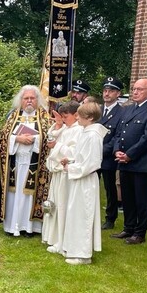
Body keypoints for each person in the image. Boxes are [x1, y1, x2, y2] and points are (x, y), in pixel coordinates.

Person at [110, 78, 147, 245]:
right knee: (127, 196)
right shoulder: (129, 109)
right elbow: (119, 132)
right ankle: (128, 227)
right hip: (124, 159)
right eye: (134, 89)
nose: (135, 92)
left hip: (141, 161)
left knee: (141, 198)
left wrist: (130, 155)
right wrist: (117, 150)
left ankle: (140, 232)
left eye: (139, 89)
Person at [0, 85, 52, 236]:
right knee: (15, 194)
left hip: (35, 164)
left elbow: (49, 138)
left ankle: (30, 228)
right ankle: (13, 226)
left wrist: (35, 139)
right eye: (26, 98)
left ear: (37, 100)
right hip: (16, 163)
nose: (29, 101)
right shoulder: (13, 116)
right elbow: (2, 138)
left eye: (32, 98)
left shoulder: (44, 117)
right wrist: (17, 138)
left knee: (30, 195)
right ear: (20, 100)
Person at [62, 102, 108, 264]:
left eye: (79, 116)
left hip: (86, 180)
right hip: (79, 178)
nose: (76, 118)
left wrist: (71, 168)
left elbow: (92, 163)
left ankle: (83, 254)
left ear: (89, 118)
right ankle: (73, 247)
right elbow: (82, 156)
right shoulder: (85, 132)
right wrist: (71, 160)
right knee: (75, 212)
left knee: (84, 214)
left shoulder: (94, 136)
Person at [42, 101, 82, 253]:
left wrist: (56, 146)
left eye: (66, 116)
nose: (64, 119)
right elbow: (54, 137)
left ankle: (62, 240)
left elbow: (73, 152)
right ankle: (53, 237)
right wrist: (58, 125)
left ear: (76, 115)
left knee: (62, 205)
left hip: (66, 174)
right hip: (58, 173)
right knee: (55, 204)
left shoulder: (78, 130)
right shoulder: (68, 128)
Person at [99, 77, 125, 229]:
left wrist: (103, 150)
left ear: (118, 94)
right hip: (93, 155)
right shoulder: (98, 110)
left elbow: (118, 136)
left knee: (110, 188)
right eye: (105, 90)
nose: (107, 94)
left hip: (107, 156)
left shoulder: (122, 112)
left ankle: (110, 218)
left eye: (111, 91)